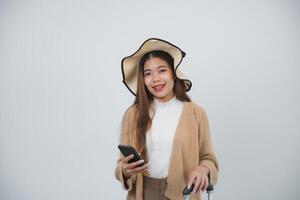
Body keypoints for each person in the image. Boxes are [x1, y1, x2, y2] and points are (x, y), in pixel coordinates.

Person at [115, 38, 219, 200]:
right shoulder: (132, 115)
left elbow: (208, 158)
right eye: (148, 73)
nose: (155, 79)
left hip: (184, 193)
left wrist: (203, 169)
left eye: (162, 70)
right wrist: (125, 170)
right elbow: (121, 164)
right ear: (143, 80)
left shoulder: (196, 113)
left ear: (173, 72)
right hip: (143, 195)